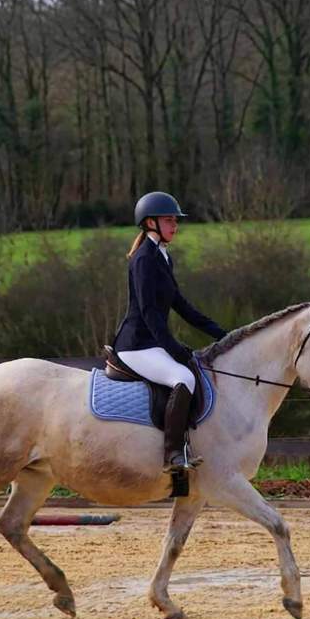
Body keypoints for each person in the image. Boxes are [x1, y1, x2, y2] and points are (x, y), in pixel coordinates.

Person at [112, 191, 227, 473]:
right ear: (150, 223)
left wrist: (221, 334)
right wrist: (172, 347)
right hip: (136, 345)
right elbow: (150, 312)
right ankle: (173, 453)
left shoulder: (162, 257)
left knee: (193, 369)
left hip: (151, 343)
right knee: (184, 377)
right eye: (169, 220)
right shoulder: (143, 259)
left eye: (176, 220)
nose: (175, 225)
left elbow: (180, 305)